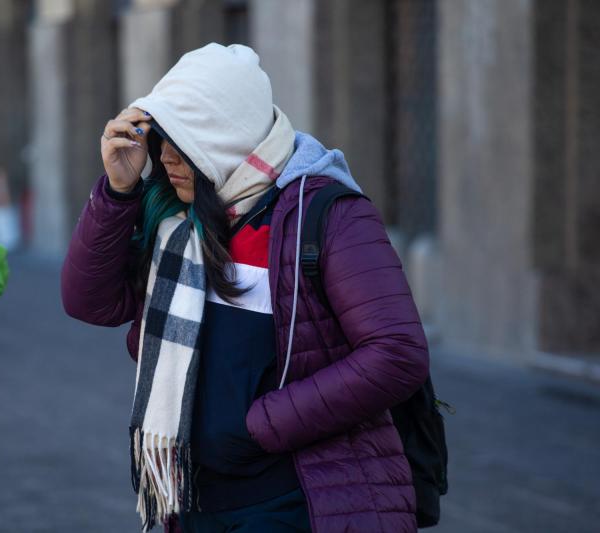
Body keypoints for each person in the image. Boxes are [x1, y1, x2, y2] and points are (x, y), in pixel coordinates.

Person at [62, 43, 429, 533]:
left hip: (298, 499)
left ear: (222, 136)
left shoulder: (324, 215)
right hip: (191, 500)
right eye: (161, 139)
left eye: (182, 140)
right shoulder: (176, 220)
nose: (166, 157)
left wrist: (263, 425)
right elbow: (88, 301)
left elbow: (397, 352)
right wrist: (118, 191)